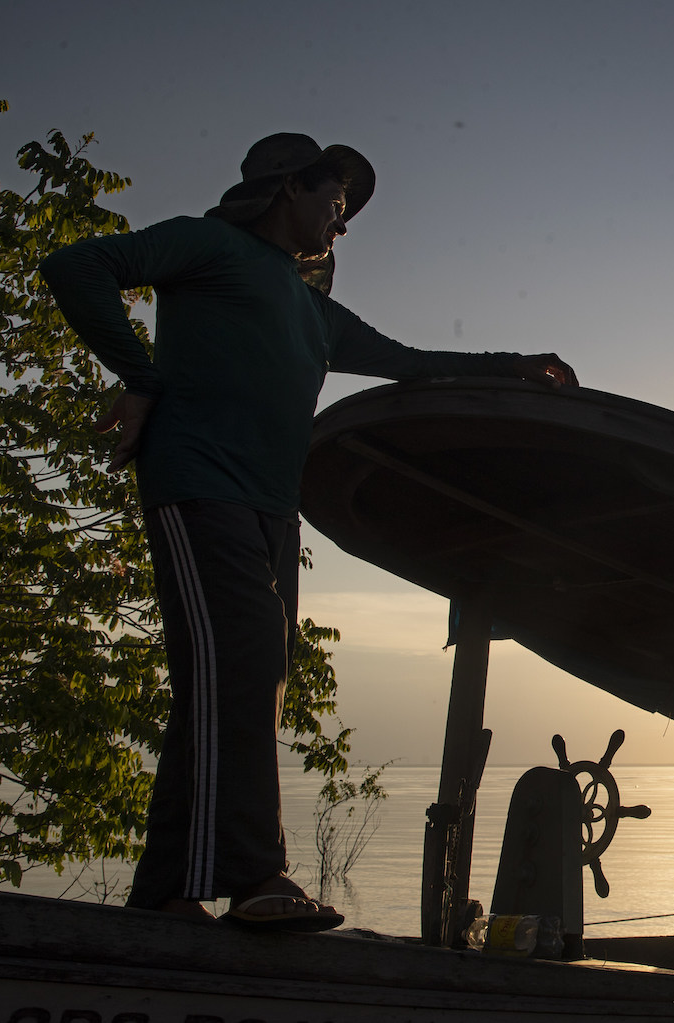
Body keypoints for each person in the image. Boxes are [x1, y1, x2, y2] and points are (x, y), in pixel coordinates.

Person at [40, 133, 578, 931]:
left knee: (236, 683)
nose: (344, 221)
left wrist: (511, 363)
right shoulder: (208, 243)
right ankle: (256, 874)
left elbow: (407, 359)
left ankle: (168, 890)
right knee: (245, 666)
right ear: (289, 187)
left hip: (270, 510)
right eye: (337, 200)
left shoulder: (313, 310)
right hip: (198, 486)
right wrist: (144, 377)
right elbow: (77, 267)